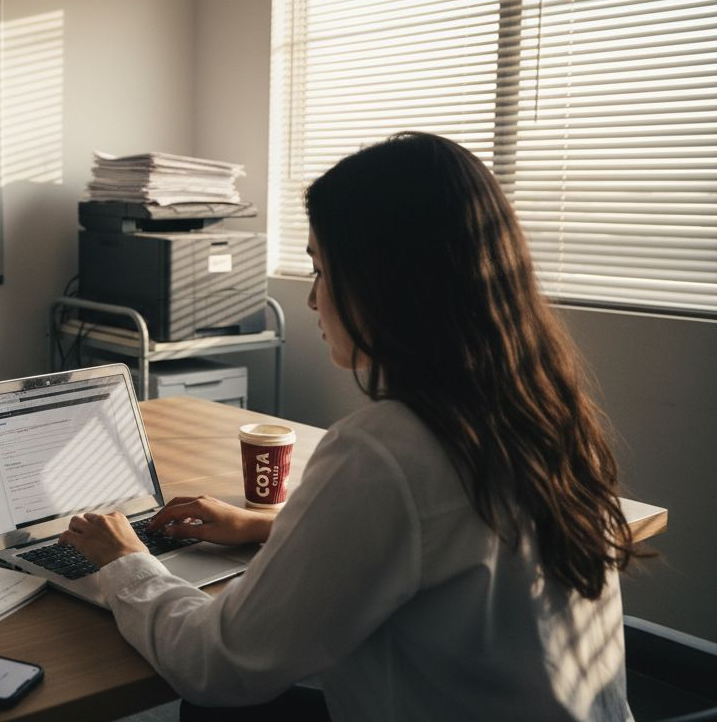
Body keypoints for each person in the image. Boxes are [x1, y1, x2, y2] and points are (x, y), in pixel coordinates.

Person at [59, 132, 638, 721]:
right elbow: (447, 537)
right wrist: (270, 526)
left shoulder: (387, 449)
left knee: (215, 710)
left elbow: (218, 664)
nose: (313, 299)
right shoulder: (544, 412)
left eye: (321, 269)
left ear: (386, 280)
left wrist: (124, 561)